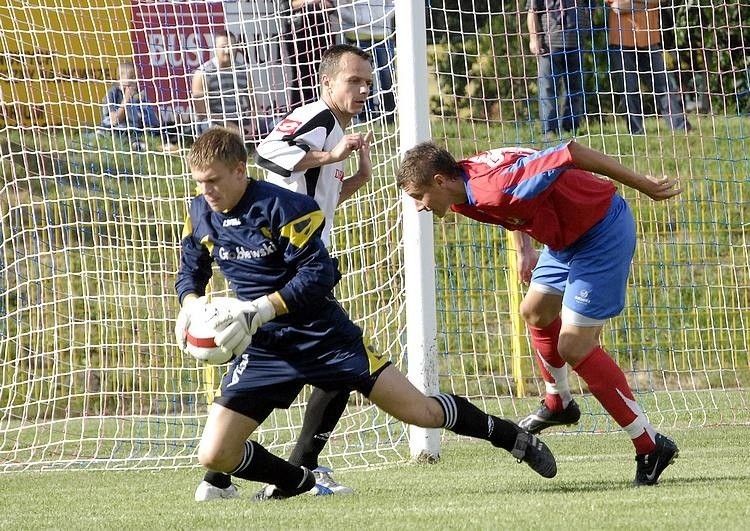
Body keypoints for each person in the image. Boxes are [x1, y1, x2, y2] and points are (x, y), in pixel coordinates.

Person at [176, 127, 557, 502]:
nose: (206, 191)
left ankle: (513, 437)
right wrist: (190, 305)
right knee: (214, 455)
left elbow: (317, 274)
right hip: (266, 349)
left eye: (213, 180)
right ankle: (298, 481)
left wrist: (261, 308)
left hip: (326, 339)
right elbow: (191, 267)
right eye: (199, 183)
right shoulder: (201, 213)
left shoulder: (284, 208)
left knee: (422, 412)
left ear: (241, 170)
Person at [396, 140, 681, 486]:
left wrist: (643, 185)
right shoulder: (463, 192)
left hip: (600, 230)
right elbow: (516, 194)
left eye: (418, 197)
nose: (419, 207)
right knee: (534, 311)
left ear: (440, 181)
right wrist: (525, 250)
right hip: (561, 240)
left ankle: (650, 445)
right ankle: (558, 401)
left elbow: (570, 152)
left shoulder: (492, 187)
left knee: (574, 347)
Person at [195, 43, 375, 501]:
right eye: (352, 80)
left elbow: (316, 195)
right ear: (326, 82)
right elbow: (269, 153)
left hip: (298, 256)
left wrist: (354, 176)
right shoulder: (317, 117)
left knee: (308, 364)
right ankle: (299, 472)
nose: (362, 89)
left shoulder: (334, 128)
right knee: (338, 365)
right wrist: (332, 158)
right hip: (281, 262)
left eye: (367, 82)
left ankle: (222, 476)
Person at [606, 0, 691, 134]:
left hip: (649, 38)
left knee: (663, 85)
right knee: (629, 88)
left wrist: (631, 4)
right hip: (621, 40)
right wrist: (646, 4)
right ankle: (636, 132)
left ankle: (680, 127)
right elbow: (617, 7)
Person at [191, 30, 271, 145]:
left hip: (241, 119)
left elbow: (254, 104)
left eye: (232, 47)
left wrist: (253, 123)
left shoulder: (244, 71)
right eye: (223, 47)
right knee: (207, 126)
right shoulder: (202, 73)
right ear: (215, 48)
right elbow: (202, 112)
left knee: (273, 125)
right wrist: (230, 126)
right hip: (216, 121)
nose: (228, 51)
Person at [526, 0, 593, 139]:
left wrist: (585, 28)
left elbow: (589, 8)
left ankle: (572, 127)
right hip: (549, 44)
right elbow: (532, 11)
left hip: (576, 43)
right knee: (548, 88)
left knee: (575, 88)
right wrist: (534, 38)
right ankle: (549, 130)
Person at [335, 0, 396, 123]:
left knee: (387, 76)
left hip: (382, 34)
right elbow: (340, 6)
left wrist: (379, 17)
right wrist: (359, 18)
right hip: (356, 34)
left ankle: (389, 116)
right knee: (360, 78)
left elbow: (395, 4)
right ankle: (366, 116)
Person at [98, 61, 167, 152]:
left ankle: (139, 144)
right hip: (116, 129)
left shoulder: (139, 94)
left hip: (133, 130)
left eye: (136, 77)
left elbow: (152, 120)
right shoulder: (112, 94)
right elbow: (115, 120)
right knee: (111, 130)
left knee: (159, 133)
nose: (135, 81)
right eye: (131, 77)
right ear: (119, 79)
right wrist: (126, 99)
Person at [284, 0, 336, 109]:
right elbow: (288, 5)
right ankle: (298, 114)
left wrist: (322, 4)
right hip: (298, 34)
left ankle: (325, 112)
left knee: (325, 73)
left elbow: (330, 6)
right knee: (301, 76)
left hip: (322, 32)